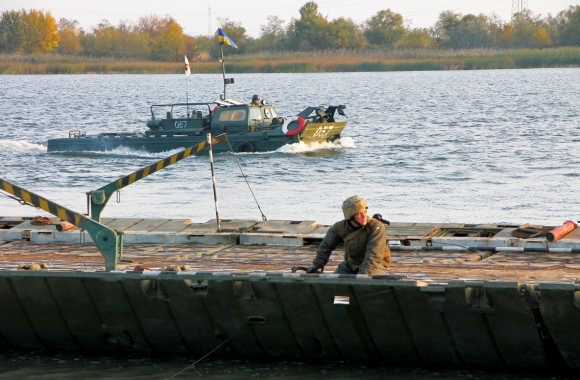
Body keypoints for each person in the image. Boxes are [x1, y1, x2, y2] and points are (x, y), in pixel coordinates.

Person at [306, 195, 391, 275]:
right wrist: (317, 264)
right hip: (352, 263)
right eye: (359, 213)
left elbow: (374, 253)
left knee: (367, 286)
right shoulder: (339, 227)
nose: (364, 216)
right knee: (334, 283)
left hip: (377, 264)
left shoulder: (375, 226)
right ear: (350, 216)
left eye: (365, 212)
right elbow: (326, 246)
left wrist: (364, 274)